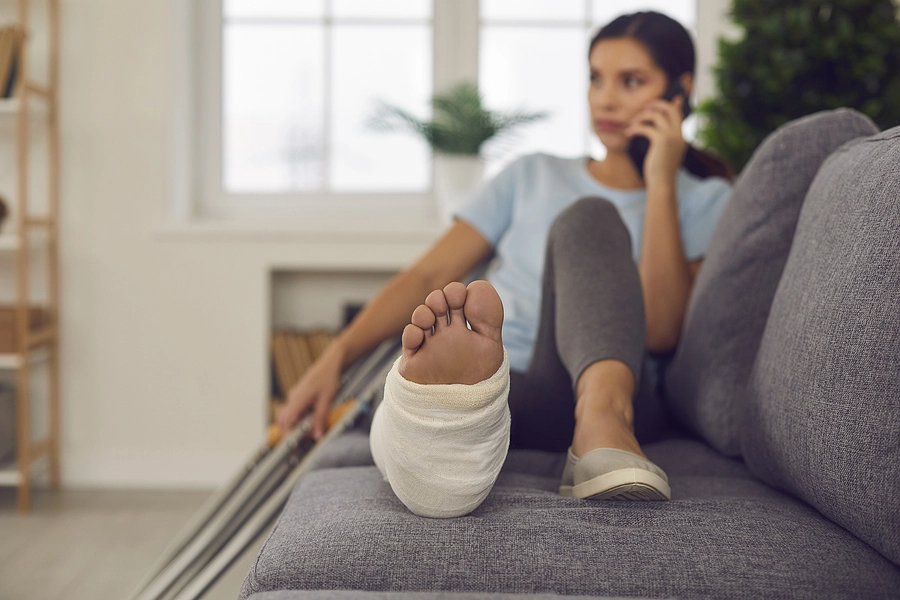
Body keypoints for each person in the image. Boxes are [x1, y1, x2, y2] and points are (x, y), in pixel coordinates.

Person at [276, 11, 732, 517]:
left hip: (623, 397)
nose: (606, 99)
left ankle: (602, 420)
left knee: (589, 219)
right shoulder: (531, 174)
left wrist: (662, 181)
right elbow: (429, 276)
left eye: (631, 81)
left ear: (680, 90)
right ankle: (444, 414)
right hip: (510, 385)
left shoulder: (704, 199)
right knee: (455, 391)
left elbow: (664, 332)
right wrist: (333, 358)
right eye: (595, 78)